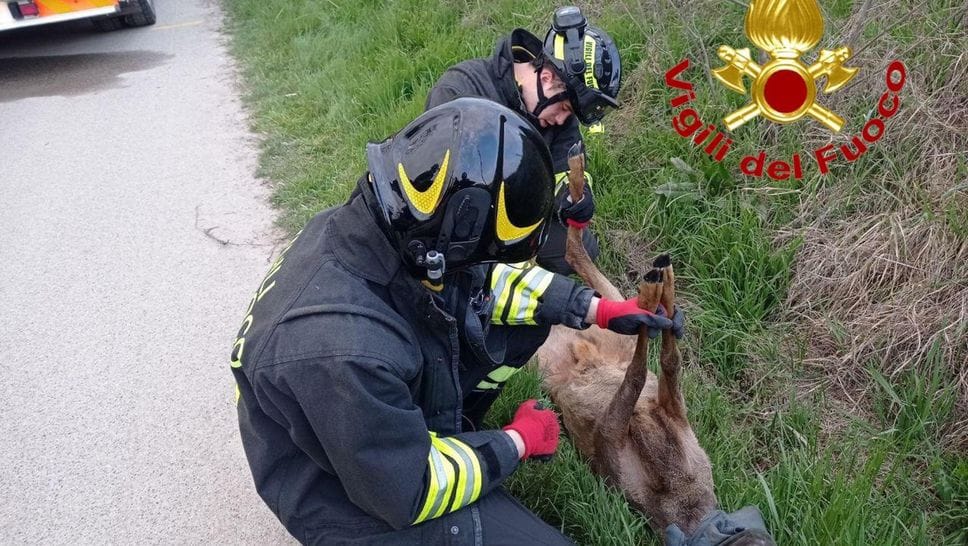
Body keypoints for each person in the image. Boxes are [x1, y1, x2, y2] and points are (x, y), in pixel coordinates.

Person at [231, 98, 678, 544]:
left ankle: (455, 425)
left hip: (365, 425)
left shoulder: (384, 228)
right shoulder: (344, 352)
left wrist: (596, 309)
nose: (481, 265)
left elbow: (481, 278)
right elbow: (413, 488)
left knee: (525, 320)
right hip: (355, 498)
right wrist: (516, 442)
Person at [426, 5, 622, 275]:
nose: (561, 120)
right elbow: (439, 178)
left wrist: (574, 197)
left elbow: (565, 166)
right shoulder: (462, 91)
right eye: (564, 108)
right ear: (547, 78)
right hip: (462, 221)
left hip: (519, 214)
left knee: (583, 249)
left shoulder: (558, 115)